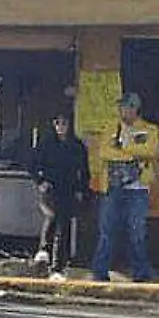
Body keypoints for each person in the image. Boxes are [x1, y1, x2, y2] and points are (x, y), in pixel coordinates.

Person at [91, 92, 158, 283]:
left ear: (136, 108)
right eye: (121, 107)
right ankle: (100, 271)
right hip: (112, 188)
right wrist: (131, 155)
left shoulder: (148, 130)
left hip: (138, 190)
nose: (123, 110)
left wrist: (122, 150)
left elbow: (150, 151)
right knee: (106, 230)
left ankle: (141, 272)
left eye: (127, 107)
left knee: (137, 231)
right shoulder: (111, 129)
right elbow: (104, 152)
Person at [31, 113, 91, 280]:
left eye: (64, 123)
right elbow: (33, 163)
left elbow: (84, 171)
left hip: (69, 189)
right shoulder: (46, 144)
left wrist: (81, 189)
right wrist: (40, 180)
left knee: (64, 224)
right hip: (50, 188)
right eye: (58, 123)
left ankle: (58, 265)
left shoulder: (77, 146)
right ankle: (44, 252)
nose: (61, 127)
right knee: (53, 216)